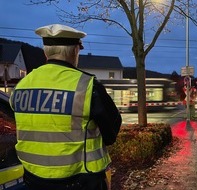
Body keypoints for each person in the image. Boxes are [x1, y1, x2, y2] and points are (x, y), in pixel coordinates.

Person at [9, 24, 122, 190]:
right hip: (80, 182)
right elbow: (111, 133)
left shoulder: (22, 85)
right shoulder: (88, 86)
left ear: (45, 51)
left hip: (33, 180)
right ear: (75, 51)